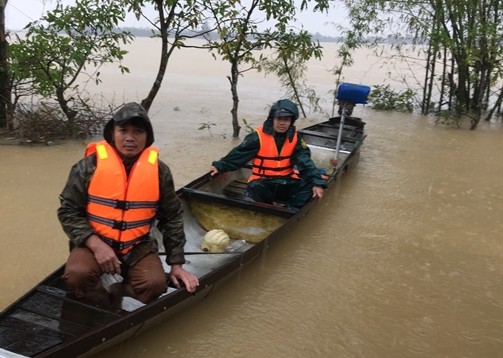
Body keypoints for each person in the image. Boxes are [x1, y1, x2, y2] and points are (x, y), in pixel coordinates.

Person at [58, 102, 199, 307]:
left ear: (147, 137)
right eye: (123, 131)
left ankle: (119, 289)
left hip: (138, 245)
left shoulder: (160, 171)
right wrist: (97, 246)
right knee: (77, 276)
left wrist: (176, 264)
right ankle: (99, 298)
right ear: (112, 133)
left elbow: (172, 216)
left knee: (154, 285)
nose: (130, 138)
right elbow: (67, 211)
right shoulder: (88, 167)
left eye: (138, 132)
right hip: (95, 241)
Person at [209, 99, 327, 210]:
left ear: (291, 122)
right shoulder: (257, 137)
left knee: (311, 186)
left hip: (287, 182)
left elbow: (305, 161)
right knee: (254, 186)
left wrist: (317, 182)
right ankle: (268, 210)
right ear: (272, 119)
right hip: (264, 182)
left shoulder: (295, 139)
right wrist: (220, 166)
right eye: (279, 119)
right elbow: (239, 154)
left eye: (286, 120)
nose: (282, 123)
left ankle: (289, 211)